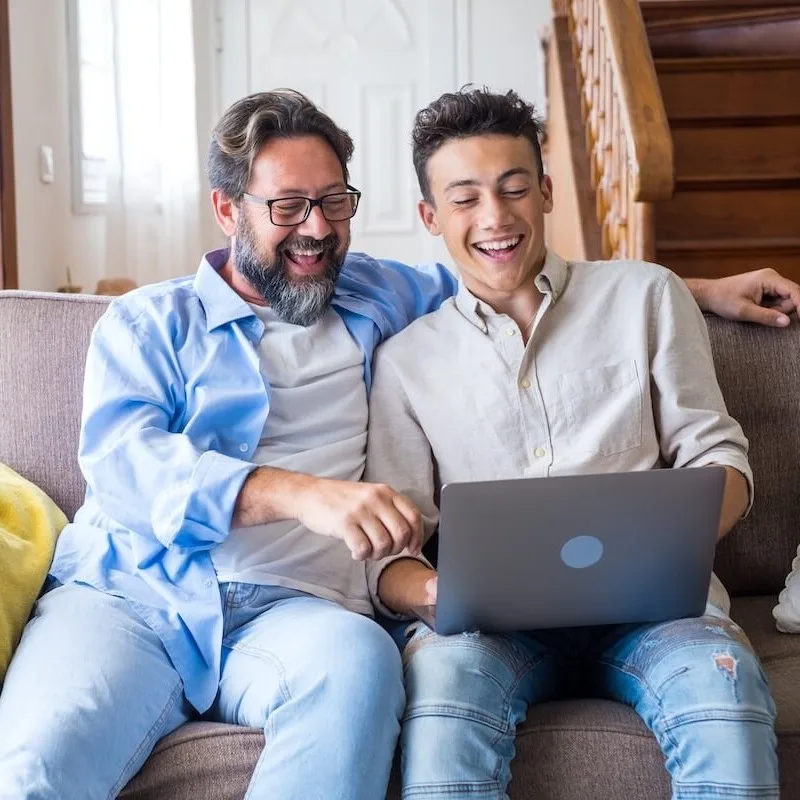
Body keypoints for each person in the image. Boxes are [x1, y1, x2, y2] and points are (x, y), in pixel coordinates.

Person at [0, 88, 789, 799]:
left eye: (333, 202)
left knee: (361, 668)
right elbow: (125, 464)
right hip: (134, 597)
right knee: (40, 763)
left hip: (297, 614)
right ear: (227, 208)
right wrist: (300, 494)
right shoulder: (148, 323)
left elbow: (517, 276)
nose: (316, 229)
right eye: (288, 207)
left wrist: (701, 291)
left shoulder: (377, 297)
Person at [364, 88, 779, 799]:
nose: (495, 217)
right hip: (491, 632)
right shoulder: (405, 362)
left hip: (660, 612)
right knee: (443, 696)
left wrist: (669, 548)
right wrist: (434, 593)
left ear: (547, 192)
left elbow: (720, 457)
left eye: (514, 188)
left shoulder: (646, 297)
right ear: (431, 217)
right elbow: (390, 556)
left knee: (725, 693)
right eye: (465, 199)